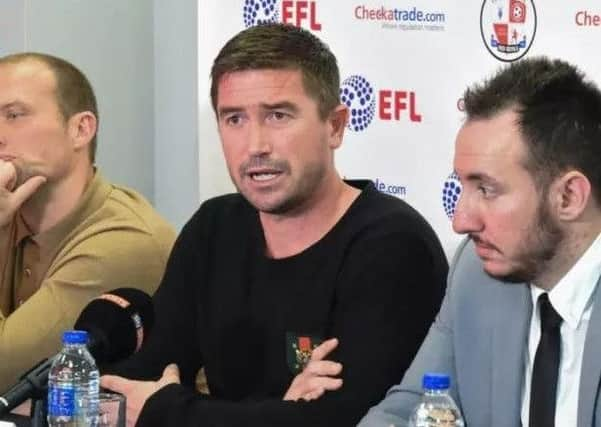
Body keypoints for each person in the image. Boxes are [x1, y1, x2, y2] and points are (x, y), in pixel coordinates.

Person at [100, 23, 448, 426]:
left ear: (334, 125)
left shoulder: (393, 246)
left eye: (278, 116)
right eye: (234, 120)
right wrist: (282, 411)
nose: (255, 145)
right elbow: (141, 378)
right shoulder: (214, 228)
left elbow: (344, 419)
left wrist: (170, 410)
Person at [359, 56, 601, 427]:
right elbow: (408, 410)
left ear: (568, 196)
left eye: (487, 189)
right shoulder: (476, 272)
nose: (460, 221)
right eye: (463, 186)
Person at [0, 53, 176, 392]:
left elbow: (5, 375)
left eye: (14, 115)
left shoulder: (124, 240)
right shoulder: (10, 212)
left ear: (81, 129)